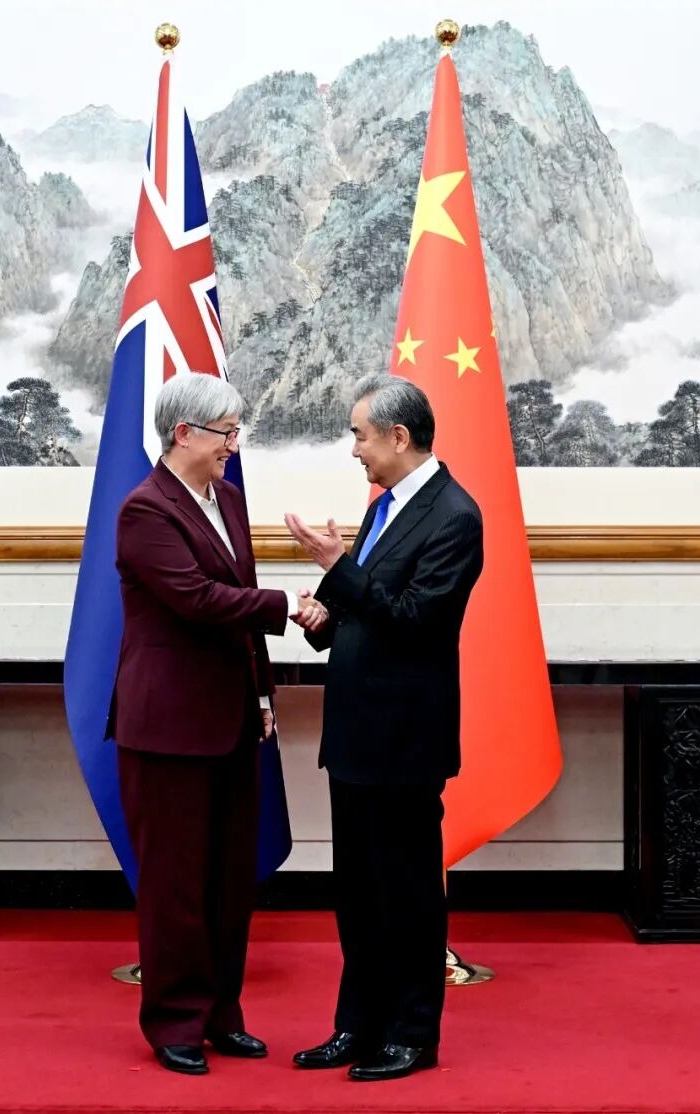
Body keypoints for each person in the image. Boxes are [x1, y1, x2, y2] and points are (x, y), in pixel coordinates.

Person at [109, 372, 319, 1075]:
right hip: (166, 727)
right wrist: (289, 604)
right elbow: (198, 600)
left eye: (236, 431)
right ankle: (174, 1021)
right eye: (226, 432)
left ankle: (222, 1015)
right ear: (183, 433)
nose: (235, 444)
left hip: (231, 719)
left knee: (230, 879)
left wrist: (262, 695)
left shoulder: (226, 499)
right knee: (175, 883)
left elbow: (236, 609)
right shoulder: (144, 510)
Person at [284, 373, 484, 1082]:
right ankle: (358, 1026)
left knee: (408, 893)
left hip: (405, 739)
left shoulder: (455, 515)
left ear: (400, 437)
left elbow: (415, 622)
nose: (354, 450)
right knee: (359, 892)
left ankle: (412, 1035)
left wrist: (338, 568)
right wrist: (324, 615)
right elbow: (367, 611)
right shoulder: (383, 508)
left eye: (360, 436)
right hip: (355, 733)